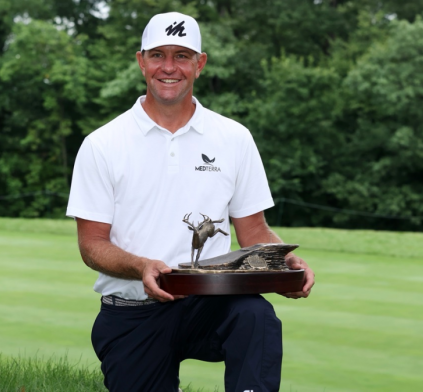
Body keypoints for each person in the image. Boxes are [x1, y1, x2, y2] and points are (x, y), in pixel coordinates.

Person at [66, 12, 314, 392]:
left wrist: (281, 262)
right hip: (133, 313)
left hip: (211, 302)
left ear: (200, 64)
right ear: (141, 61)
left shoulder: (233, 137)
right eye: (158, 55)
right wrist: (142, 266)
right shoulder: (103, 144)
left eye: (182, 56)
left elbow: (254, 230)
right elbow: (92, 245)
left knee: (256, 316)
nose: (169, 67)